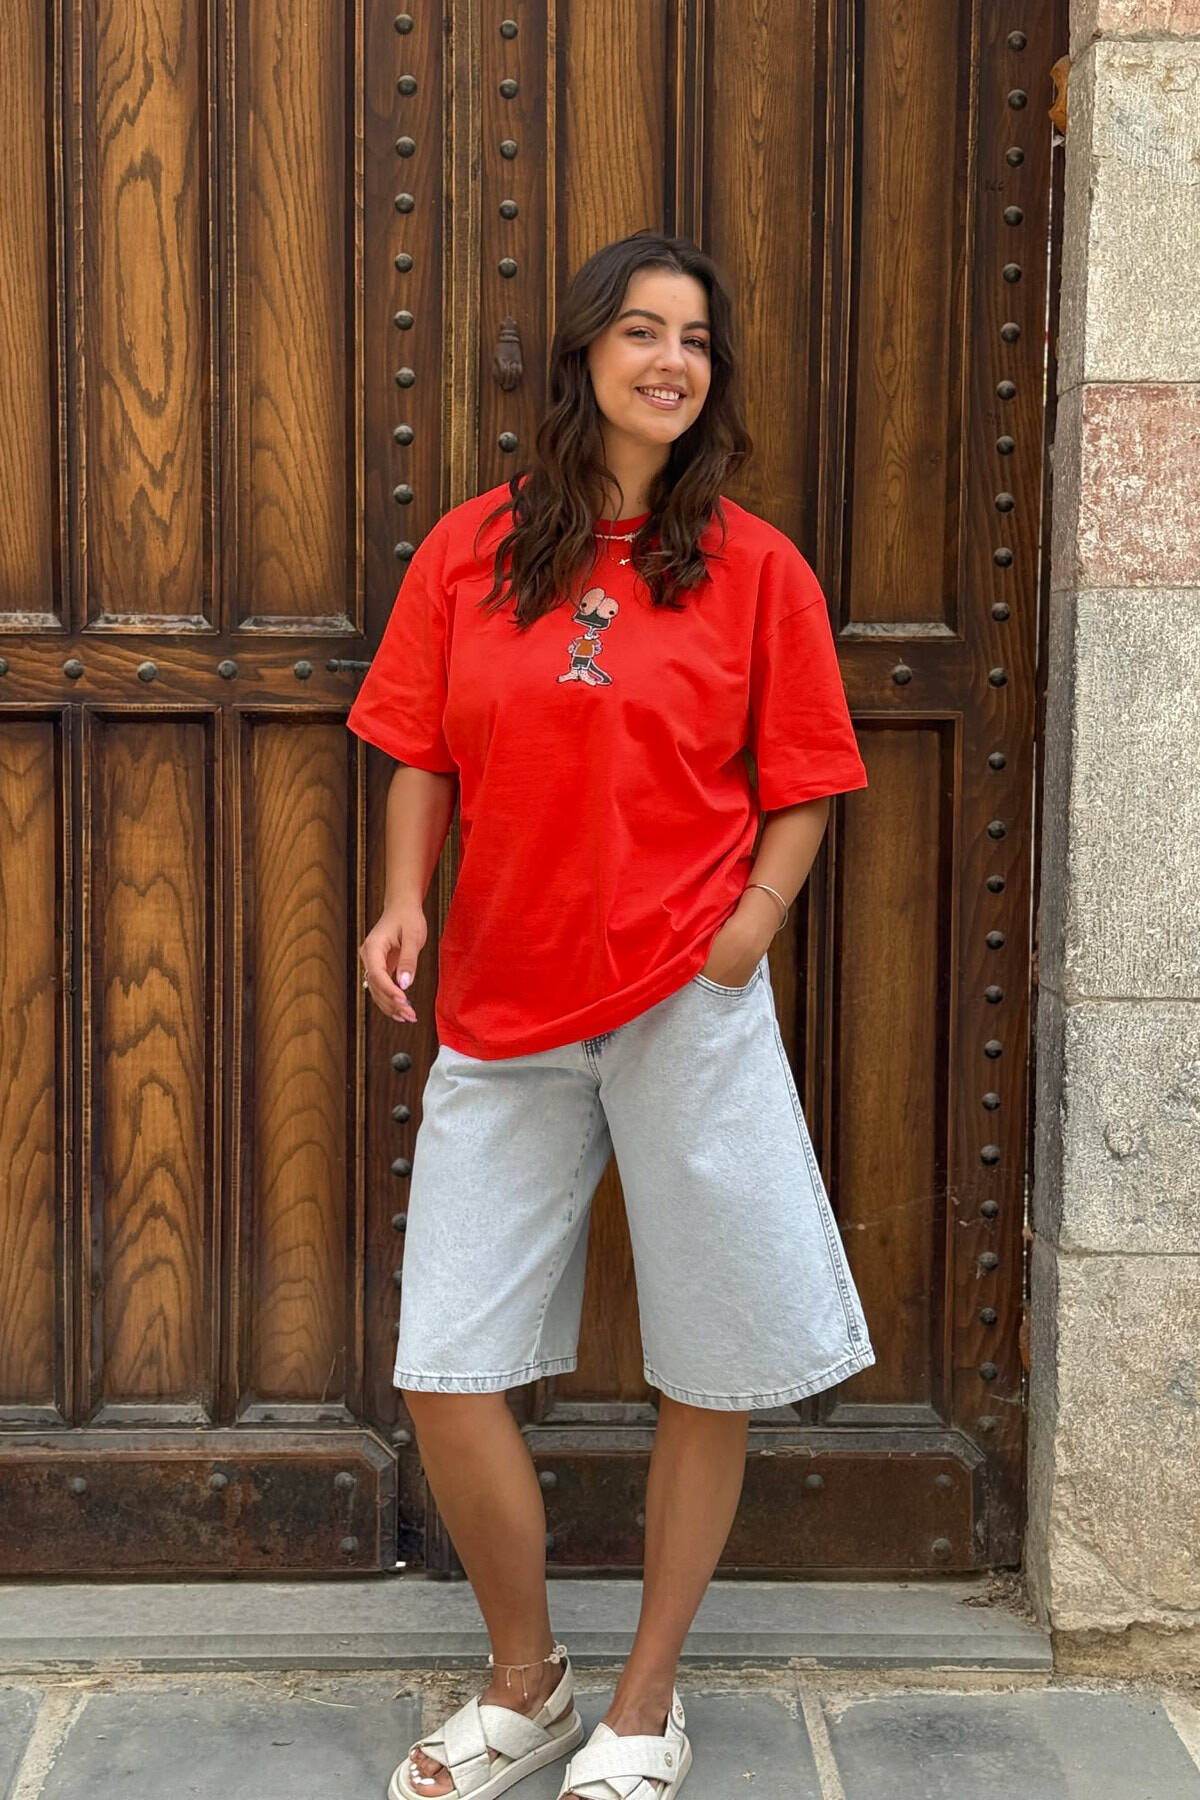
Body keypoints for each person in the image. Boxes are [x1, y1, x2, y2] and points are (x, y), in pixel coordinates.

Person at [348, 229, 876, 1800]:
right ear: (584, 354)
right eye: (642, 331)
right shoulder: (474, 548)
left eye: (696, 339)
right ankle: (528, 1683)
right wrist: (403, 902)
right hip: (502, 1008)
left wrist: (748, 930)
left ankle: (646, 1702)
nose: (671, 361)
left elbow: (805, 781)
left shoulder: (757, 567)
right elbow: (420, 747)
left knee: (710, 1359)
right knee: (448, 1362)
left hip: (683, 1005)